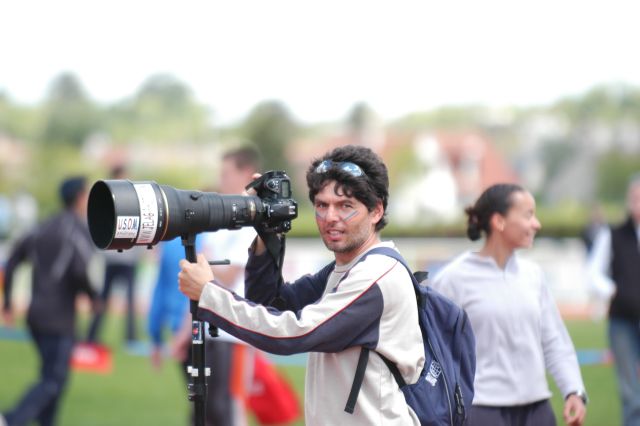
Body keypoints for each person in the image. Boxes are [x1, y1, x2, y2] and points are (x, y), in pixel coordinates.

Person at [178, 144, 425, 425]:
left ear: (376, 211)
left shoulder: (376, 276)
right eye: (322, 205)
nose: (331, 216)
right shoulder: (344, 269)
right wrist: (267, 230)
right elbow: (270, 303)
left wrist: (210, 295)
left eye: (345, 206)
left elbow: (294, 333)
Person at [429, 183, 587, 426]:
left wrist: (573, 390)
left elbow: (554, 339)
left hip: (537, 411)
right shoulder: (452, 279)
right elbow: (432, 350)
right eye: (528, 215)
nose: (537, 224)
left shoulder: (533, 275)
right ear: (499, 221)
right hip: (481, 412)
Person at [172, 145, 264, 426]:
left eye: (226, 173)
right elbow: (204, 282)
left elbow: (226, 276)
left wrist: (204, 267)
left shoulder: (251, 221)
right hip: (211, 329)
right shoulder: (225, 221)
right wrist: (184, 332)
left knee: (229, 412)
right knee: (204, 410)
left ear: (247, 174)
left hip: (233, 335)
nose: (221, 179)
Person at [1, 176, 98, 426]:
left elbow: (10, 262)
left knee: (52, 379)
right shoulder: (77, 230)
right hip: (59, 319)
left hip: (35, 315)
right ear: (78, 197)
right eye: (87, 194)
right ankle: (11, 419)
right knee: (54, 380)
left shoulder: (42, 226)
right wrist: (93, 296)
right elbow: (79, 270)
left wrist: (9, 303)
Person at [587, 174, 640, 426]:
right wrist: (612, 290)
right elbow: (593, 272)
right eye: (634, 197)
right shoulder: (613, 235)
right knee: (631, 392)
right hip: (623, 322)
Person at [86, 164, 143, 345]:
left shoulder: (136, 200)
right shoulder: (106, 201)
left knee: (130, 301)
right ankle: (92, 336)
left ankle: (130, 337)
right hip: (112, 259)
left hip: (129, 260)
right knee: (103, 299)